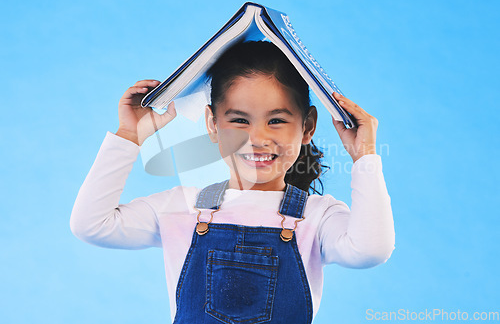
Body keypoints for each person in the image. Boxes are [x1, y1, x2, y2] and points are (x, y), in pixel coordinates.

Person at [70, 41, 395, 324]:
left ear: (307, 126)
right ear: (212, 123)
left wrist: (364, 155)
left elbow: (372, 251)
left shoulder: (319, 216)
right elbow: (91, 225)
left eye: (277, 121)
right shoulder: (181, 207)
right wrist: (130, 135)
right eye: (239, 120)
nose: (257, 138)